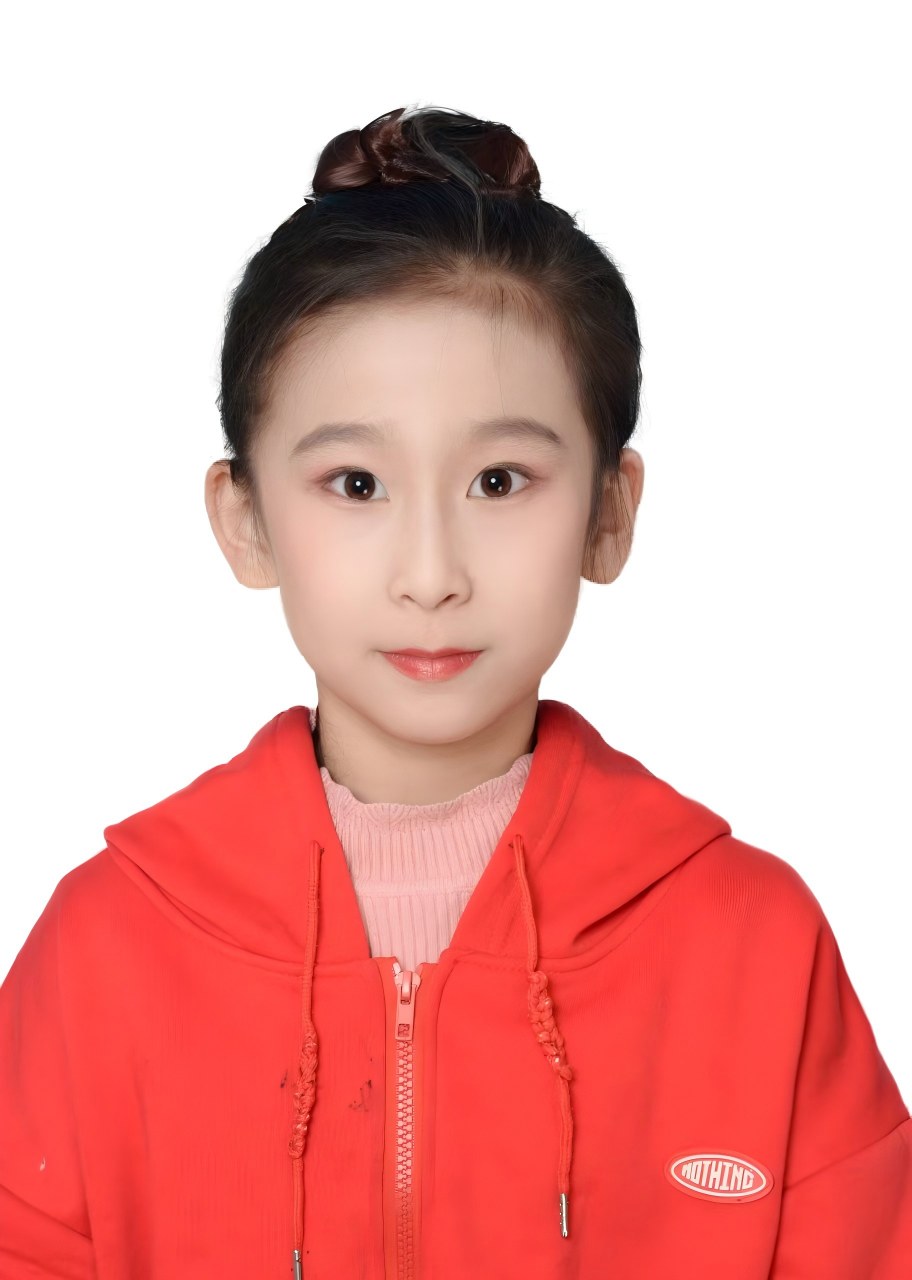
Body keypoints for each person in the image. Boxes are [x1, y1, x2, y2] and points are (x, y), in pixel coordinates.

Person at [1, 104, 909, 1279]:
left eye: (499, 479)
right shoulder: (104, 948)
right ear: (245, 519)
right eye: (355, 482)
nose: (430, 574)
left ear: (609, 510)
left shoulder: (757, 947)